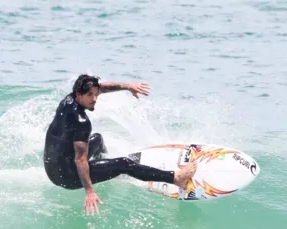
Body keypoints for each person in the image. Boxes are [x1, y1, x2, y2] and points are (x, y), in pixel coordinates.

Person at [43, 74, 197, 216]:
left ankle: (105, 169)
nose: (95, 98)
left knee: (97, 139)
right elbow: (80, 159)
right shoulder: (81, 122)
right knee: (124, 163)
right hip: (68, 177)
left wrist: (128, 86)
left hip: (52, 170)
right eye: (90, 95)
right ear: (79, 94)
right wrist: (89, 191)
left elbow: (102, 87)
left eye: (95, 94)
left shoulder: (68, 101)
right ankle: (176, 178)